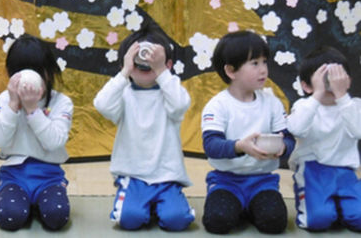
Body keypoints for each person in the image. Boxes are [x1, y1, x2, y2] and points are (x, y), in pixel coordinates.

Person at [93, 23, 195, 231]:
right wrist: (125, 71)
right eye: (138, 57)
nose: (145, 60)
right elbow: (101, 104)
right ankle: (146, 206)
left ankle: (164, 206)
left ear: (168, 64)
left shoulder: (170, 92)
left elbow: (180, 104)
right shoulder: (124, 93)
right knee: (129, 220)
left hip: (167, 176)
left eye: (153, 57)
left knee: (177, 221)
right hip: (133, 177)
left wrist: (161, 71)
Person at [200, 30, 294, 234]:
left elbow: (288, 139)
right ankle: (239, 206)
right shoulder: (217, 106)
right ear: (231, 71)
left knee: (275, 222)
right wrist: (239, 146)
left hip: (262, 181)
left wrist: (283, 146)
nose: (263, 70)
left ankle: (251, 206)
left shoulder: (272, 103)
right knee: (217, 222)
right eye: (254, 63)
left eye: (264, 62)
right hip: (225, 180)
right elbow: (211, 146)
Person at [0, 34, 73, 231]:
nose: (29, 82)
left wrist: (33, 111)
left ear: (49, 73)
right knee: (11, 217)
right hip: (14, 174)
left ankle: (40, 202)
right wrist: (13, 106)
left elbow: (54, 142)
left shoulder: (61, 102)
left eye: (37, 73)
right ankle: (21, 202)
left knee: (57, 217)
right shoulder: (4, 100)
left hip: (49, 175)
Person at [287, 46, 361, 232]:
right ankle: (328, 207)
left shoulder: (353, 105)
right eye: (323, 78)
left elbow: (358, 131)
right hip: (312, 169)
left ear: (347, 80)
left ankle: (340, 207)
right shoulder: (304, 105)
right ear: (306, 85)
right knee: (318, 221)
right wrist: (318, 94)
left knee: (359, 218)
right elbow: (296, 129)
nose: (330, 83)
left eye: (336, 76)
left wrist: (342, 96)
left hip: (346, 172)